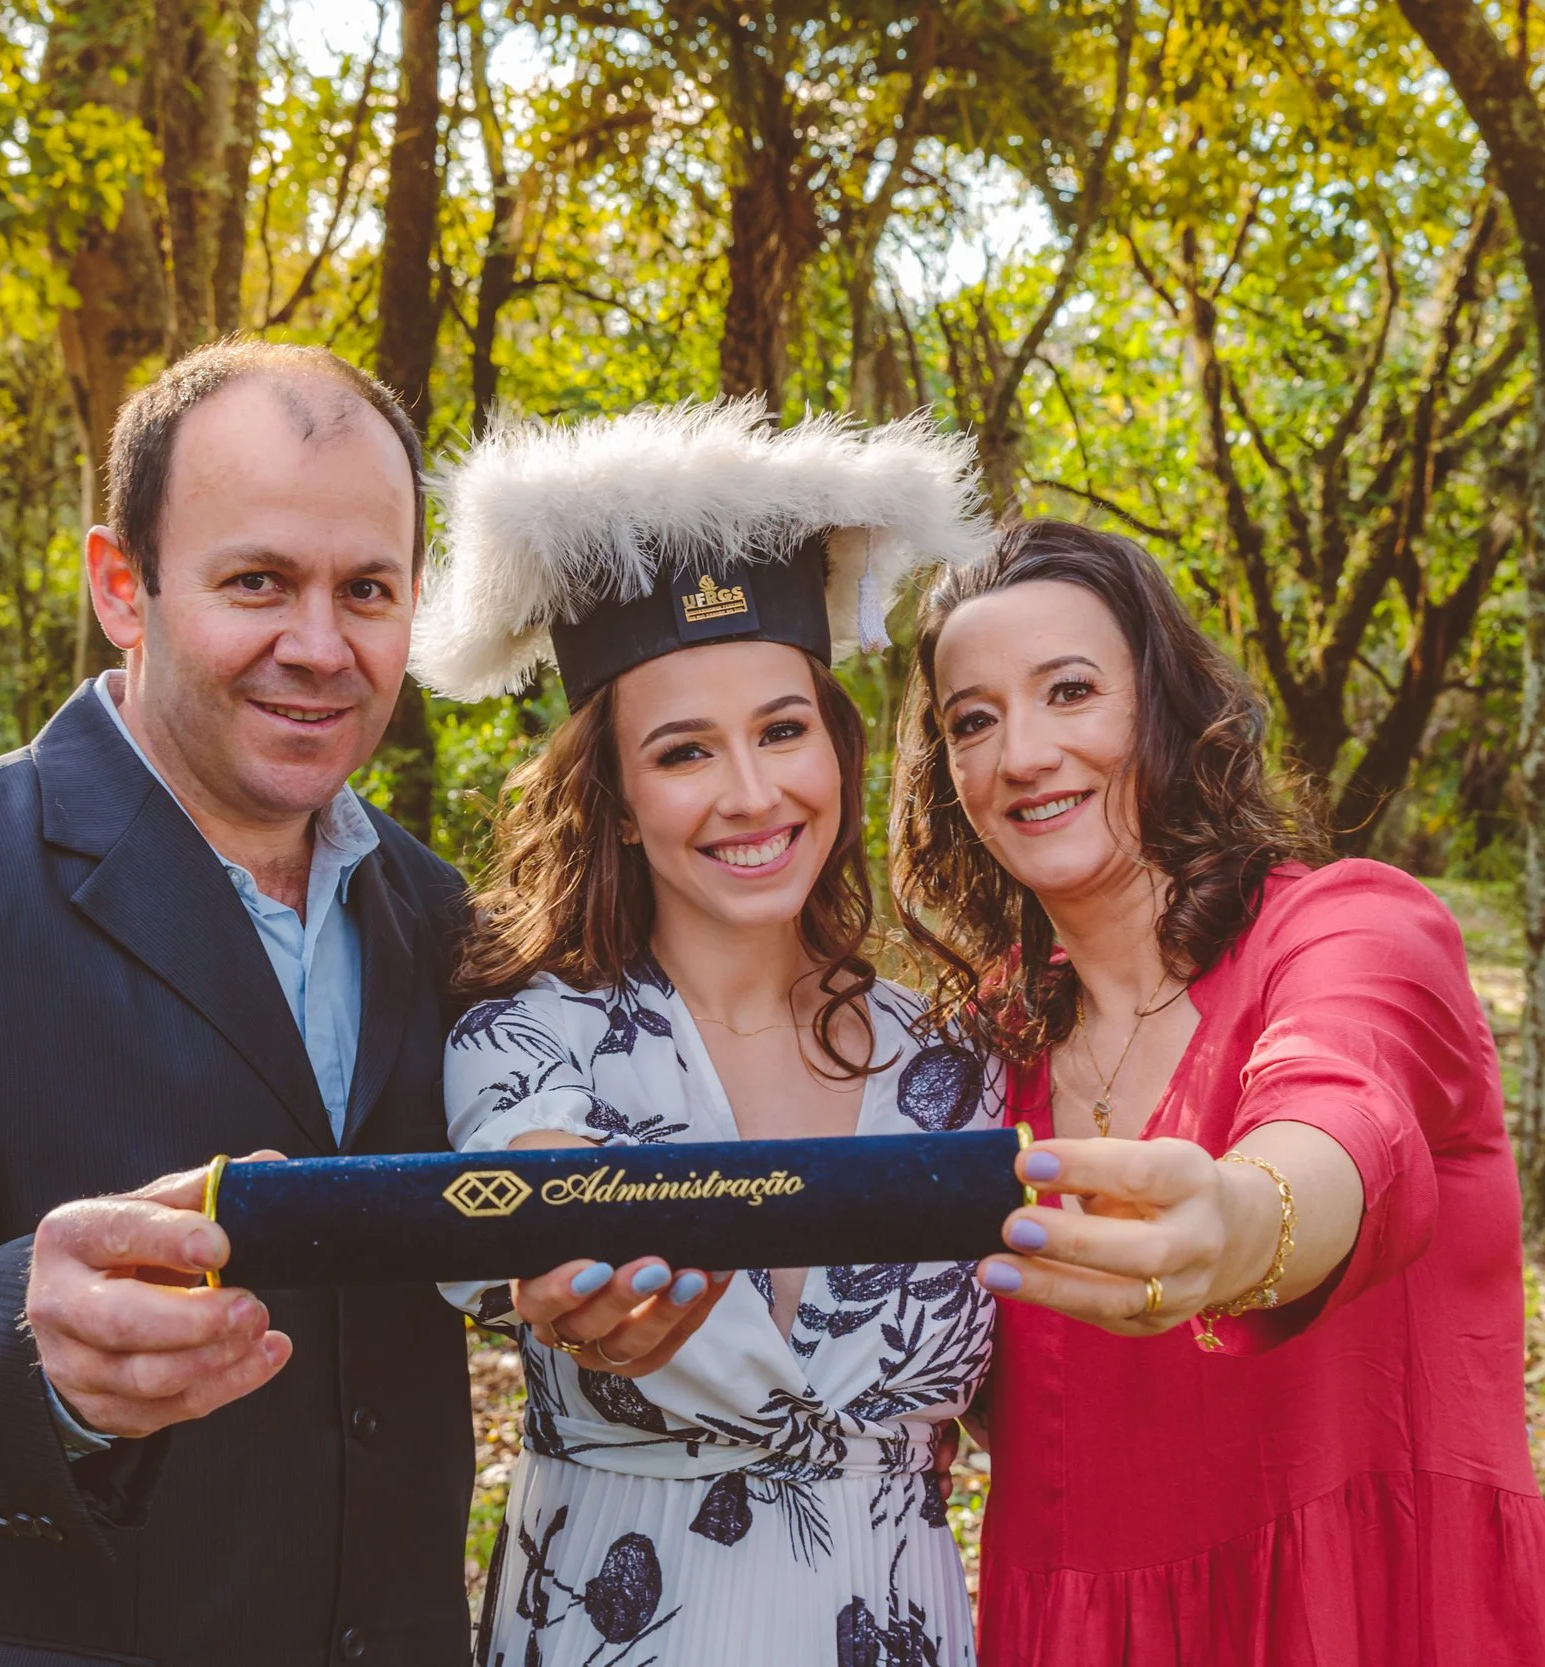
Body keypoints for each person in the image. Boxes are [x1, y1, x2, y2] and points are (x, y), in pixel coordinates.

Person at [0, 341, 713, 1667]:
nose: (320, 645)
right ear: (119, 585)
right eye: (258, 581)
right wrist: (29, 1340)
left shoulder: (437, 910)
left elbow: (463, 1240)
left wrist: (575, 1281)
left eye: (367, 590)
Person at [889, 518, 1545, 1666]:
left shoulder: (1352, 928)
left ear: (1164, 705)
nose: (1021, 752)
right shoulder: (975, 1053)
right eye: (972, 719)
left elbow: (1342, 1111)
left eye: (1069, 691)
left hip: (1375, 1616)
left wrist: (1238, 1223)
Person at [414, 401, 997, 1667]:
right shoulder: (527, 1040)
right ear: (618, 801)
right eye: (683, 752)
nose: (751, 792)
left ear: (835, 749)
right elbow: (529, 1188)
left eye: (782, 730)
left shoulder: (953, 1066)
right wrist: (560, 1245)